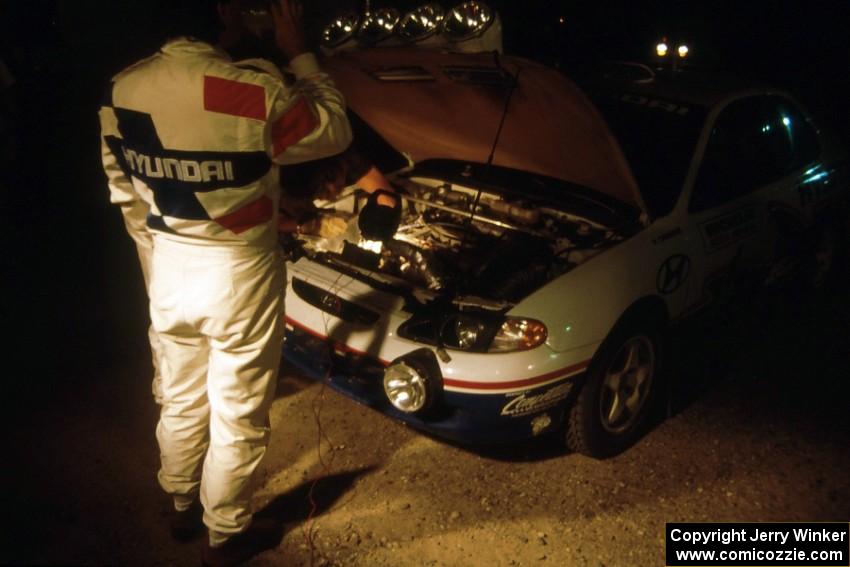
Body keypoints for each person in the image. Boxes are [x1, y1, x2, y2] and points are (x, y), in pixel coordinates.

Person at [98, 1, 352, 565]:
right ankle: (228, 531)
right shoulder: (245, 90)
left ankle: (180, 501)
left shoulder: (124, 89)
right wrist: (300, 54)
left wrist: (157, 261)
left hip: (168, 262)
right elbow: (332, 130)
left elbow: (125, 195)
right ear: (220, 13)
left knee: (180, 395)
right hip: (238, 268)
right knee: (237, 408)